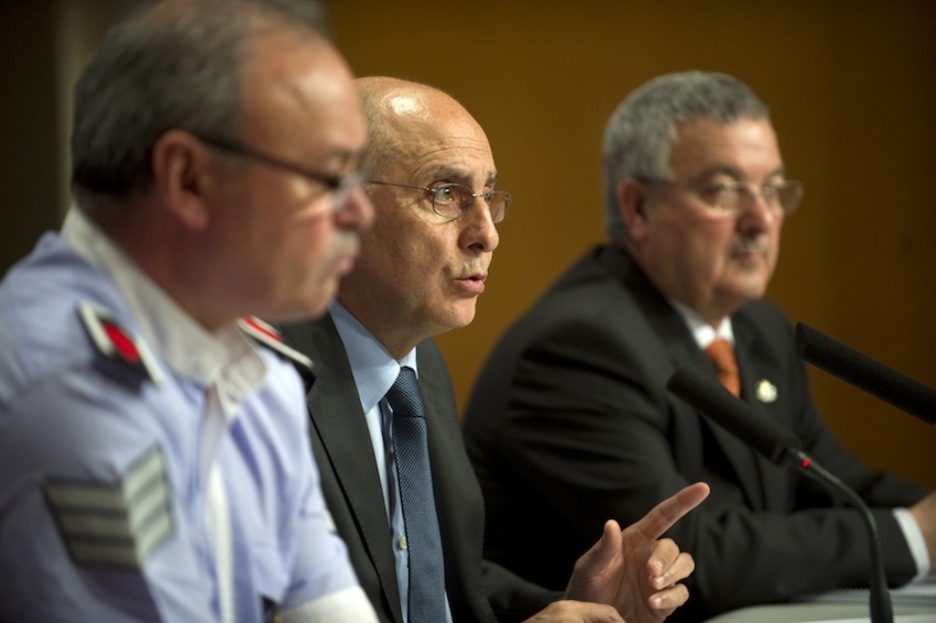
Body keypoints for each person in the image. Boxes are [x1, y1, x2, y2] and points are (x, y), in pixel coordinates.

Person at [462, 70, 936, 621]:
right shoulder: (578, 347)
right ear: (638, 208)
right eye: (724, 191)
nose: (761, 220)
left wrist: (920, 517)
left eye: (773, 190)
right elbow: (693, 556)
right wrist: (914, 535)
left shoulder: (758, 329)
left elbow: (835, 485)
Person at [278, 76, 710, 623]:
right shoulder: (265, 382)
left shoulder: (416, 365)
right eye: (444, 194)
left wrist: (574, 607)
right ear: (339, 207)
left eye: (487, 196)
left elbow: (437, 580)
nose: (486, 233)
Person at [0, 1, 379, 621]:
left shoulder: (262, 381)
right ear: (189, 180)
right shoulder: (67, 389)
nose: (359, 213)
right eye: (327, 177)